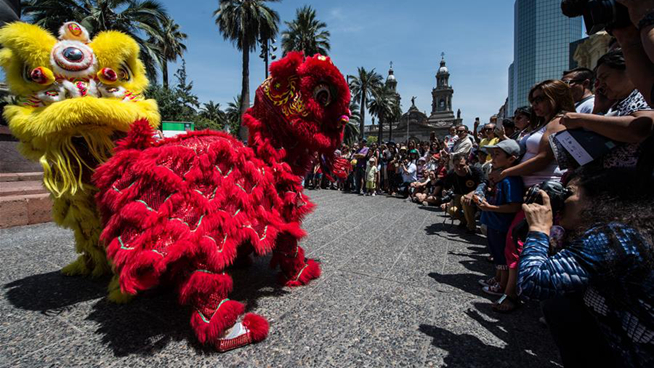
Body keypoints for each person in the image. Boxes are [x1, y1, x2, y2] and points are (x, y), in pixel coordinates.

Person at [518, 167, 654, 367]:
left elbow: (532, 281)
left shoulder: (615, 236)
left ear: (599, 199)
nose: (561, 199)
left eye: (569, 192)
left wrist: (539, 230)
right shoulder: (620, 229)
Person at [559, 49, 654, 170]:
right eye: (598, 81)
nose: (600, 85)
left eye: (605, 77)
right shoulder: (616, 103)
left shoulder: (644, 94)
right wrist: (599, 110)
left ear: (628, 69)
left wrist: (581, 119)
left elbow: (640, 128)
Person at [468, 140, 524, 312]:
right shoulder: (498, 177)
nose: (493, 157)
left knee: (502, 254)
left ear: (511, 159)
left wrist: (490, 207)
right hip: (493, 221)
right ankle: (498, 277)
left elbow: (515, 205)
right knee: (495, 250)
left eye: (498, 154)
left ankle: (503, 284)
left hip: (501, 223)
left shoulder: (510, 180)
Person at [489, 80, 571, 188]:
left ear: (555, 98)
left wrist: (505, 173)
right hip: (529, 186)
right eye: (533, 100)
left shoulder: (559, 122)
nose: (534, 104)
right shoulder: (542, 125)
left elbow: (543, 159)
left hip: (543, 187)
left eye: (539, 99)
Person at [441, 154, 484, 233]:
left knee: (464, 199)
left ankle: (471, 227)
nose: (458, 168)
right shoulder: (451, 174)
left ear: (467, 164)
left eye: (461, 165)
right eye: (456, 165)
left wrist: (472, 194)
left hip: (475, 195)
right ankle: (465, 220)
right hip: (458, 194)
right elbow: (446, 187)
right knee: (451, 210)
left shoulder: (475, 171)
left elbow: (483, 184)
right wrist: (445, 192)